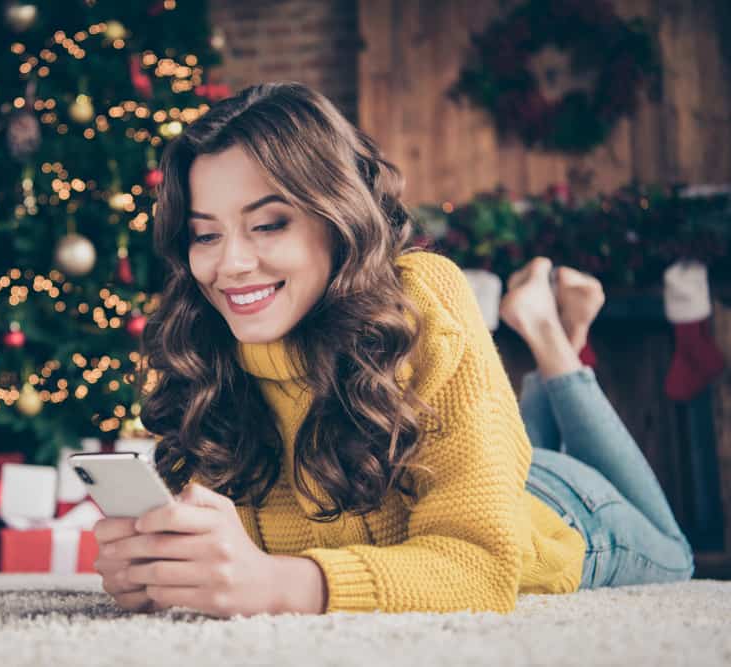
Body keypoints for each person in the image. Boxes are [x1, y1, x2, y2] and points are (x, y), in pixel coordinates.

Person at [91, 81, 694, 618]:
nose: (231, 264)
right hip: (468, 467)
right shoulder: (207, 340)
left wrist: (280, 585)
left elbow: (481, 563)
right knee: (498, 438)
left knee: (677, 556)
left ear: (337, 218)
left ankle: (554, 345)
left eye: (269, 223)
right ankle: (555, 340)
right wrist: (163, 566)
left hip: (560, 511)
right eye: (205, 234)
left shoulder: (421, 293)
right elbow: (231, 562)